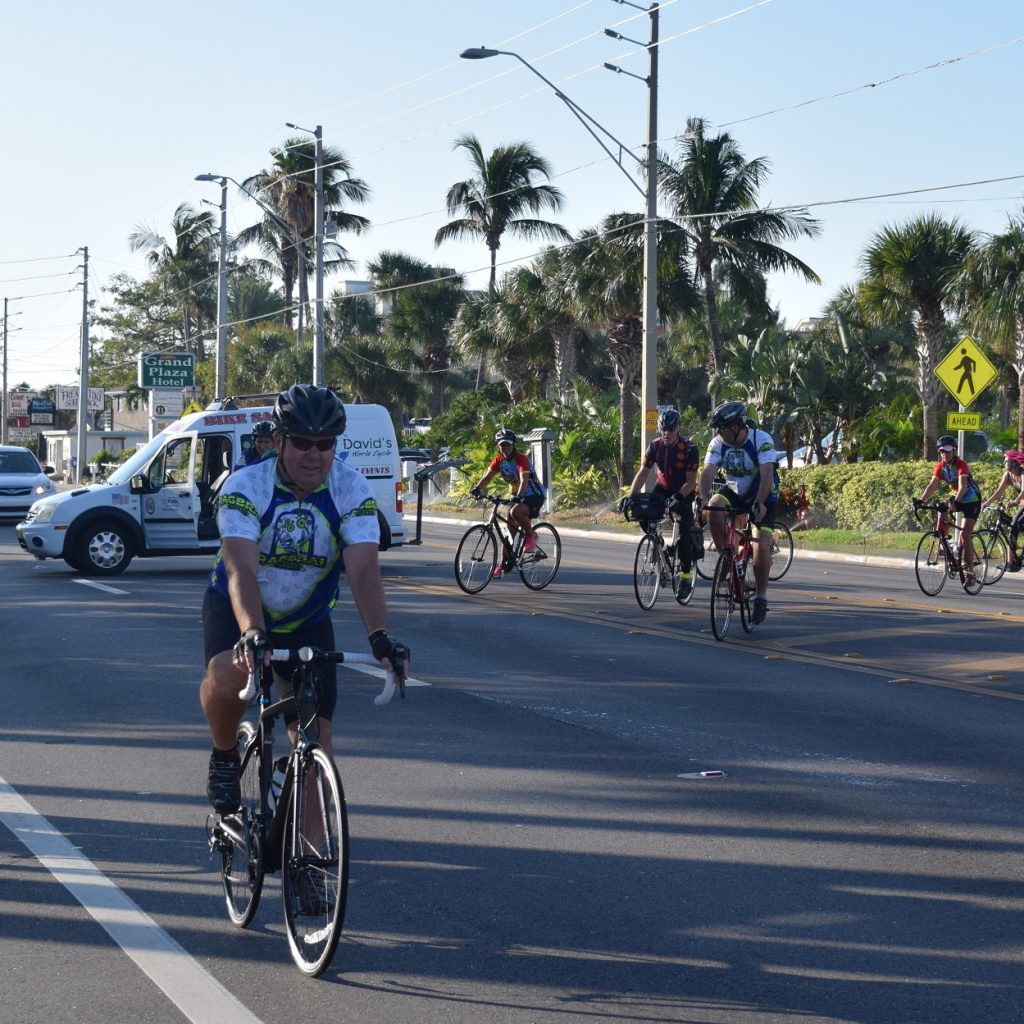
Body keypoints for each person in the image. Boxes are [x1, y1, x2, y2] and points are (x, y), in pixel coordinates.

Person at [200, 384, 410, 815]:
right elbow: (241, 569)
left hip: (306, 619)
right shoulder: (247, 485)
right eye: (301, 443)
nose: (314, 455)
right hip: (238, 606)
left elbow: (364, 568)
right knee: (225, 674)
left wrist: (380, 636)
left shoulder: (352, 490)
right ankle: (224, 755)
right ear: (278, 441)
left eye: (324, 444)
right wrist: (253, 632)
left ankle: (311, 874)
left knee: (317, 739)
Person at [699, 401, 781, 626]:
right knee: (714, 507)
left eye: (722, 427)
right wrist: (702, 498)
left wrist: (759, 503)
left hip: (762, 492)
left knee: (760, 545)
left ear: (736, 426)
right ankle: (727, 553)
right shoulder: (718, 443)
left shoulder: (760, 439)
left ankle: (761, 597)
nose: (718, 432)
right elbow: (707, 473)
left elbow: (766, 474)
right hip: (735, 489)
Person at [620, 407, 699, 599]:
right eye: (663, 430)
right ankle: (658, 542)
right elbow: (644, 472)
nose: (667, 434)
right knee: (642, 514)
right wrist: (631, 495)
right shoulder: (655, 446)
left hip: (683, 490)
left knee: (684, 536)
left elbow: (691, 481)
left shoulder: (689, 448)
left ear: (678, 429)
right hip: (663, 487)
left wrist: (678, 498)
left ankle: (686, 577)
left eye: (671, 430)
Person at [470, 428, 546, 579]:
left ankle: (531, 535)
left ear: (513, 446)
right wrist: (477, 489)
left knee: (515, 512)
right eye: (501, 445)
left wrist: (519, 496)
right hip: (517, 496)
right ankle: (503, 564)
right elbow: (487, 477)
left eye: (507, 445)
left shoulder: (521, 459)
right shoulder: (498, 461)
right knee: (508, 536)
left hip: (534, 495)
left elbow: (524, 480)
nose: (504, 448)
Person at [914, 436, 982, 581]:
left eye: (947, 451)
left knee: (965, 534)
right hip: (956, 497)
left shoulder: (961, 464)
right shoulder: (941, 466)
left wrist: (955, 502)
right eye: (941, 451)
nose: (944, 454)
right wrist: (921, 500)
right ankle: (945, 543)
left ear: (954, 451)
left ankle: (970, 573)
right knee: (940, 508)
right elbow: (932, 486)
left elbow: (963, 487)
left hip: (971, 500)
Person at [982, 449, 1024, 570]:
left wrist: (1016, 501)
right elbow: (999, 492)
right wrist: (987, 503)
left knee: (1016, 524)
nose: (1004, 462)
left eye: (1006, 460)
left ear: (1014, 462)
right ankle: (1011, 563)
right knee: (1013, 528)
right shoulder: (1008, 475)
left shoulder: (1022, 474)